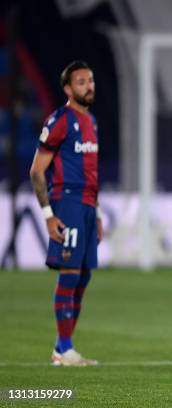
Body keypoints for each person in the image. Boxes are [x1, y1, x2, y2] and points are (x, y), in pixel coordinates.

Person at [30, 60, 102, 365]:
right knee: (70, 274)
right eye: (81, 82)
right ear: (68, 89)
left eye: (91, 80)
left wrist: (96, 214)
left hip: (87, 206)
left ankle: (63, 349)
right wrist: (48, 214)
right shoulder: (60, 120)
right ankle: (64, 348)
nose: (89, 86)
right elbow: (36, 171)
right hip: (67, 202)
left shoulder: (92, 122)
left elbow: (91, 171)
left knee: (83, 276)